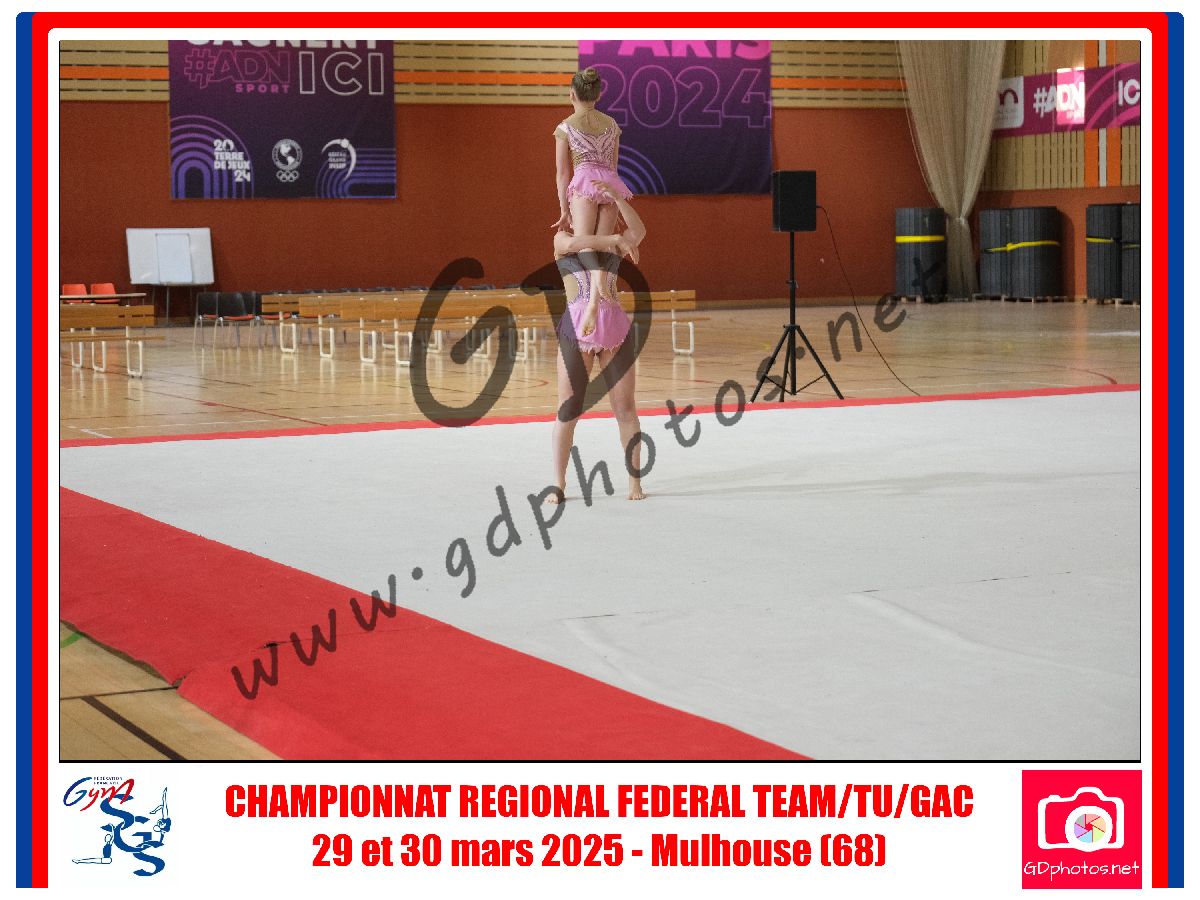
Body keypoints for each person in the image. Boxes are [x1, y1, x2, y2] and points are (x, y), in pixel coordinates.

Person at [550, 181, 646, 502]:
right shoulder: (563, 239)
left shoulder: (613, 247)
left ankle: (635, 482)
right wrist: (613, 238)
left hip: (613, 326)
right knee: (568, 409)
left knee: (625, 408)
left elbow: (639, 230)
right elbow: (578, 242)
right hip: (577, 328)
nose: (592, 209)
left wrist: (618, 198)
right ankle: (559, 483)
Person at [552, 68, 633, 339]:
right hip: (610, 183)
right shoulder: (612, 124)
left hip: (584, 183)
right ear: (598, 95)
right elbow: (613, 165)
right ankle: (598, 299)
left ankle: (593, 297)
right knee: (604, 246)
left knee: (585, 243)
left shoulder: (565, 126)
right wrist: (614, 194)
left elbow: (562, 173)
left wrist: (564, 209)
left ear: (571, 95)